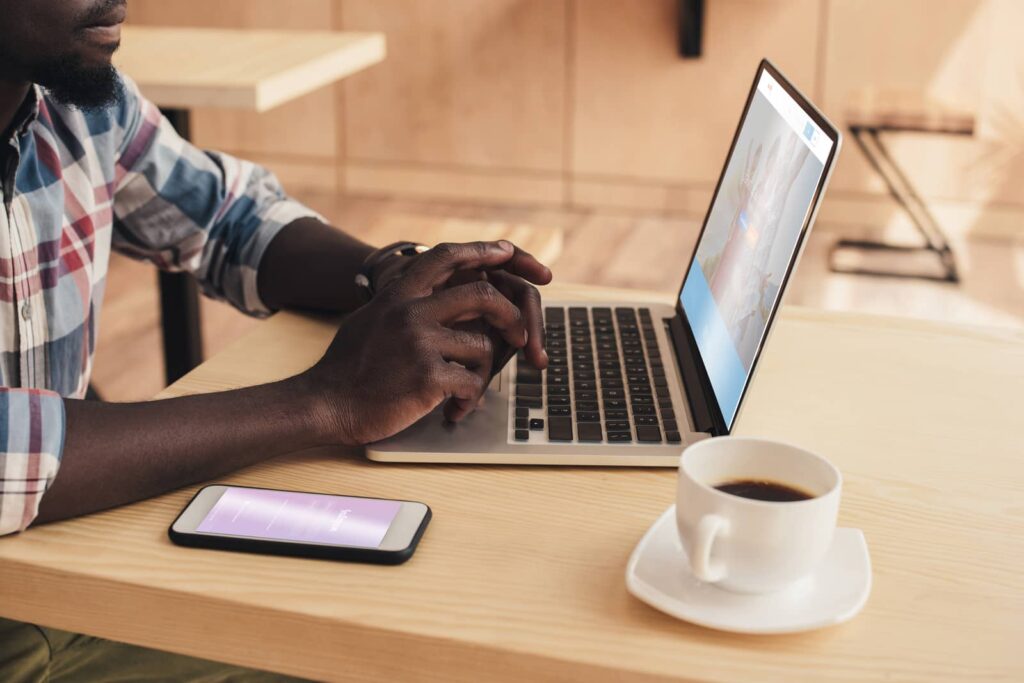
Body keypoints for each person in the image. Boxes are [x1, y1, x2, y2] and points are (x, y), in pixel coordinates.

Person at [0, 1, 550, 679]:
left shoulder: (75, 99)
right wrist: (325, 400)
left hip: (55, 569)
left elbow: (230, 216)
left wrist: (395, 277)